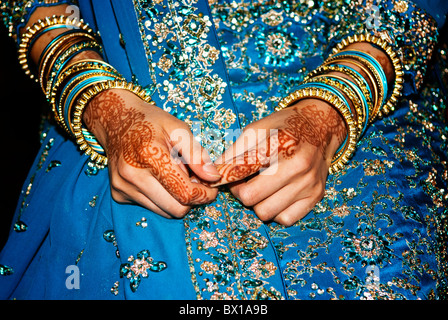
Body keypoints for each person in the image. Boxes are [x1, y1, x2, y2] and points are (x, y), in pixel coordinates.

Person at [0, 0, 447, 300]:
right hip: (122, 107)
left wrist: (332, 108)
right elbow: (41, 11)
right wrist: (104, 105)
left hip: (351, 99)